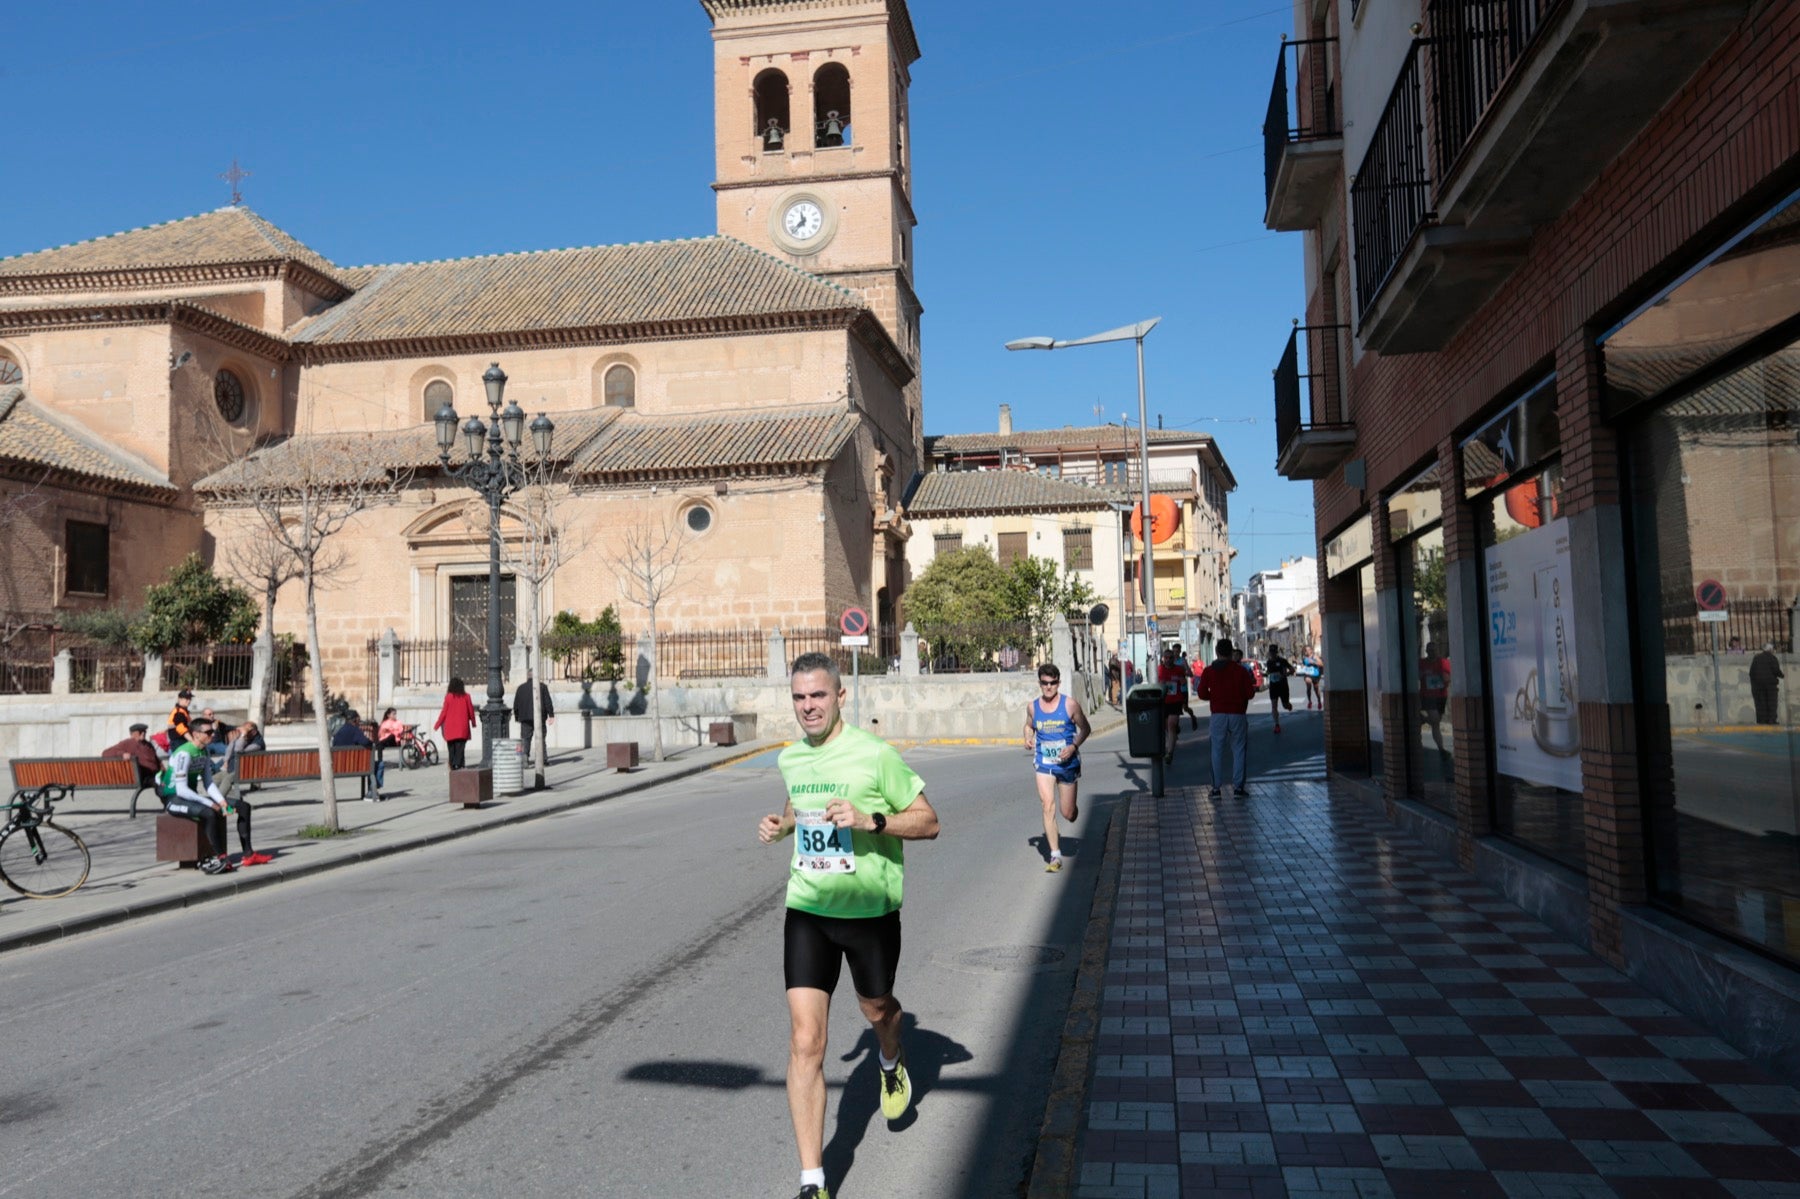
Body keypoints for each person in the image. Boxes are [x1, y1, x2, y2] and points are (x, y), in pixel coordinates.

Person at [756, 652, 941, 1199]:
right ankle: (813, 1180)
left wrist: (869, 820)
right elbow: (799, 805)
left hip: (869, 913)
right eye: (799, 697)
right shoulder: (791, 758)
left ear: (840, 696)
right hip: (809, 910)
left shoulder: (875, 755)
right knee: (805, 1040)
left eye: (818, 695)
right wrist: (782, 825)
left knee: (878, 1010)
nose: (808, 706)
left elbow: (930, 821)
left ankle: (890, 1056)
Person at [1023, 662, 1090, 873]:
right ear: (1040, 683)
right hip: (1044, 762)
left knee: (1067, 812)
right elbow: (1028, 725)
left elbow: (1085, 729)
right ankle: (1055, 855)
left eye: (1052, 683)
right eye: (1045, 683)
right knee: (1047, 805)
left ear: (1058, 683)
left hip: (1067, 763)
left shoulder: (1070, 705)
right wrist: (1027, 737)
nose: (1048, 687)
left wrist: (1073, 746)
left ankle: (1072, 810)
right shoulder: (1033, 707)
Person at [158, 723, 235, 874]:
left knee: (241, 806)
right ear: (196, 734)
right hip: (173, 798)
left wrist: (222, 802)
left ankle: (246, 854)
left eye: (213, 731)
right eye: (208, 732)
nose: (213, 734)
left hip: (189, 796)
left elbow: (208, 782)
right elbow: (181, 790)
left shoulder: (203, 751)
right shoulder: (184, 753)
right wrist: (209, 803)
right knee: (209, 813)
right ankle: (220, 857)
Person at [1199, 638, 1256, 800]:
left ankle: (1216, 789)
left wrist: (1214, 697)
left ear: (1217, 652)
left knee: (1216, 751)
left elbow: (1202, 693)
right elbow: (1250, 693)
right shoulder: (1240, 671)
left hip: (1218, 714)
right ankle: (1238, 788)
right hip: (1237, 713)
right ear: (1231, 653)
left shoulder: (1209, 671)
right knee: (1239, 750)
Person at [100, 721, 162, 816]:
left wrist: (164, 770)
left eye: (144, 732)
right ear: (133, 734)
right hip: (144, 776)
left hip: (155, 774)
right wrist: (122, 754)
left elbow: (157, 760)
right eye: (140, 732)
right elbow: (106, 753)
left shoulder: (148, 744)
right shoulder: (128, 743)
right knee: (160, 783)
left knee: (166, 781)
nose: (143, 734)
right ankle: (168, 804)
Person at [332, 713, 384, 800]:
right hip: (355, 766)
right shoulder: (355, 730)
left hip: (339, 766)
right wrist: (372, 742)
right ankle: (373, 791)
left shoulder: (339, 731)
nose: (359, 723)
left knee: (372, 765)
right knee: (379, 764)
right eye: (359, 720)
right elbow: (365, 742)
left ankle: (372, 791)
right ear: (355, 720)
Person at [1156, 646, 1190, 765]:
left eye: (1170, 658)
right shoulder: (1159, 669)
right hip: (1164, 701)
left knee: (1171, 725)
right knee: (1167, 727)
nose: (1168, 660)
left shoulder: (1179, 669)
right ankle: (1173, 736)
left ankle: (1169, 753)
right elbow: (1155, 684)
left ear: (1173, 659)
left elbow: (1183, 683)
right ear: (1163, 658)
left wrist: (1183, 683)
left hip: (1176, 701)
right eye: (1166, 658)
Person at [434, 677, 477, 770]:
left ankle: (453, 765)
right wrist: (473, 722)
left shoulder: (448, 697)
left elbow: (444, 712)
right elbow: (471, 711)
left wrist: (437, 724)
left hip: (450, 728)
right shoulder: (467, 696)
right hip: (462, 728)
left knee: (451, 749)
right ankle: (458, 764)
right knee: (460, 748)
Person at [1418, 641, 1451, 753]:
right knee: (1435, 720)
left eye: (1434, 650)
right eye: (1430, 650)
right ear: (1426, 651)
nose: (1432, 652)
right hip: (1427, 696)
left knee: (1436, 723)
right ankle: (1442, 749)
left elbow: (1448, 677)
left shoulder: (1444, 662)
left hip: (1441, 696)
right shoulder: (1422, 663)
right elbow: (1416, 676)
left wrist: (1443, 677)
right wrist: (1421, 674)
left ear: (1437, 651)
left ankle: (1441, 748)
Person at [513, 673, 554, 759]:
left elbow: (516, 705)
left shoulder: (521, 688)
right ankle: (543, 759)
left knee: (525, 739)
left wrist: (517, 717)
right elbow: (547, 702)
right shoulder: (542, 687)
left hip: (525, 718)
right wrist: (551, 715)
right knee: (541, 739)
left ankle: (524, 759)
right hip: (540, 717)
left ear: (527, 676)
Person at [1751, 642, 1785, 725]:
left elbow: (1751, 672)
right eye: (1772, 649)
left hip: (1758, 685)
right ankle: (1771, 720)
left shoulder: (1756, 658)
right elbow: (1776, 670)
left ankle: (1762, 720)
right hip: (1770, 685)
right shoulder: (1772, 658)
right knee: (1772, 702)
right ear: (1770, 650)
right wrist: (1782, 675)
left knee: (1761, 703)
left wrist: (1756, 681)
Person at [1265, 646, 1294, 734]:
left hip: (1283, 685)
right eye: (1271, 652)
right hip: (1273, 686)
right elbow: (1269, 672)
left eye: (1274, 652)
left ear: (1276, 652)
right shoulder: (1269, 662)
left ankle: (1288, 705)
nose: (1272, 654)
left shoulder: (1282, 661)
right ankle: (1277, 725)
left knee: (1285, 705)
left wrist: (1284, 675)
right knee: (1274, 706)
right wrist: (1266, 674)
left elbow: (1292, 670)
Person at [1173, 643, 1199, 731]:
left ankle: (1193, 717)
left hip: (1182, 688)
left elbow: (1190, 674)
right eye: (1174, 651)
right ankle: (1176, 726)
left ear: (1180, 651)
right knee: (1176, 709)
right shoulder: (1171, 661)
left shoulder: (1182, 661)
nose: (1175, 653)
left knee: (1185, 708)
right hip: (1174, 689)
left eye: (1177, 651)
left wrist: (1183, 672)